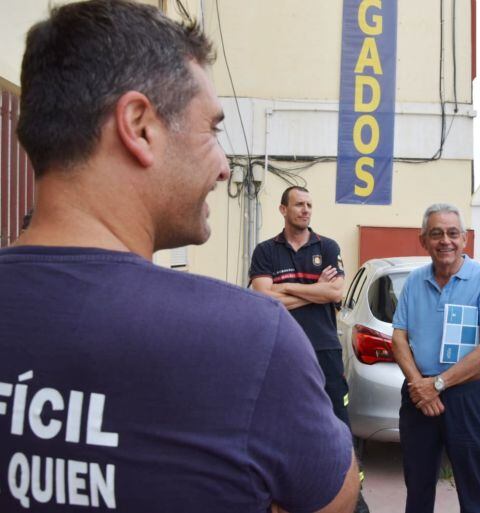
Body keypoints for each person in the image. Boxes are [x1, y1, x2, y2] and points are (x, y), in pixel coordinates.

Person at [0, 1, 358, 512]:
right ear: (139, 126)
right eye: (211, 129)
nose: (224, 167)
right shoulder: (249, 339)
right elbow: (334, 501)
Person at [249, 186, 369, 513]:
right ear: (283, 209)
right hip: (280, 350)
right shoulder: (266, 251)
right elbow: (263, 297)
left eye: (309, 205)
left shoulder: (327, 247)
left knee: (337, 422)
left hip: (324, 350)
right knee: (280, 421)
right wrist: (315, 289)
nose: (305, 210)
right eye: (299, 204)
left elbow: (335, 293)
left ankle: (353, 497)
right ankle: (285, 495)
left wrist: (286, 287)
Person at [391, 203, 480, 513]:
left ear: (464, 239)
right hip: (419, 396)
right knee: (417, 487)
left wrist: (438, 384)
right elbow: (398, 338)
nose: (446, 241)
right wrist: (420, 385)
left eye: (453, 233)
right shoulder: (414, 281)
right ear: (423, 240)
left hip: (469, 396)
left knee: (475, 491)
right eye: (436, 234)